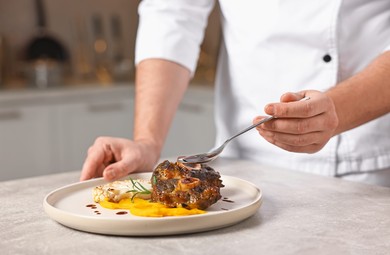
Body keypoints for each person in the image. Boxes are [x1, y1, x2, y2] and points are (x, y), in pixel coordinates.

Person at [80, 1, 390, 187]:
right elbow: (172, 14)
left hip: (368, 162)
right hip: (246, 165)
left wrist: (337, 109)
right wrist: (147, 142)